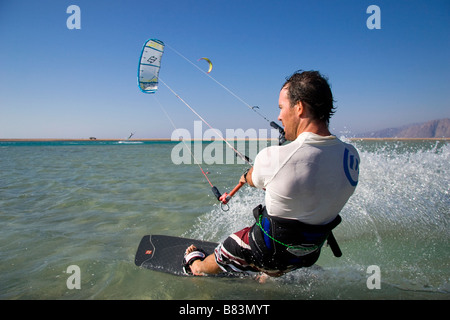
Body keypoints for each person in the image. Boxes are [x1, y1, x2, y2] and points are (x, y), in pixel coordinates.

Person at [183, 70, 360, 277]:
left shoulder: (274, 158)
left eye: (281, 108)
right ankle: (269, 276)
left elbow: (252, 178)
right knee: (285, 238)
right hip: (307, 254)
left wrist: (248, 176)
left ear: (300, 107)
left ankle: (196, 267)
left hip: (266, 251)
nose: (279, 116)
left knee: (232, 245)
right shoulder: (352, 157)